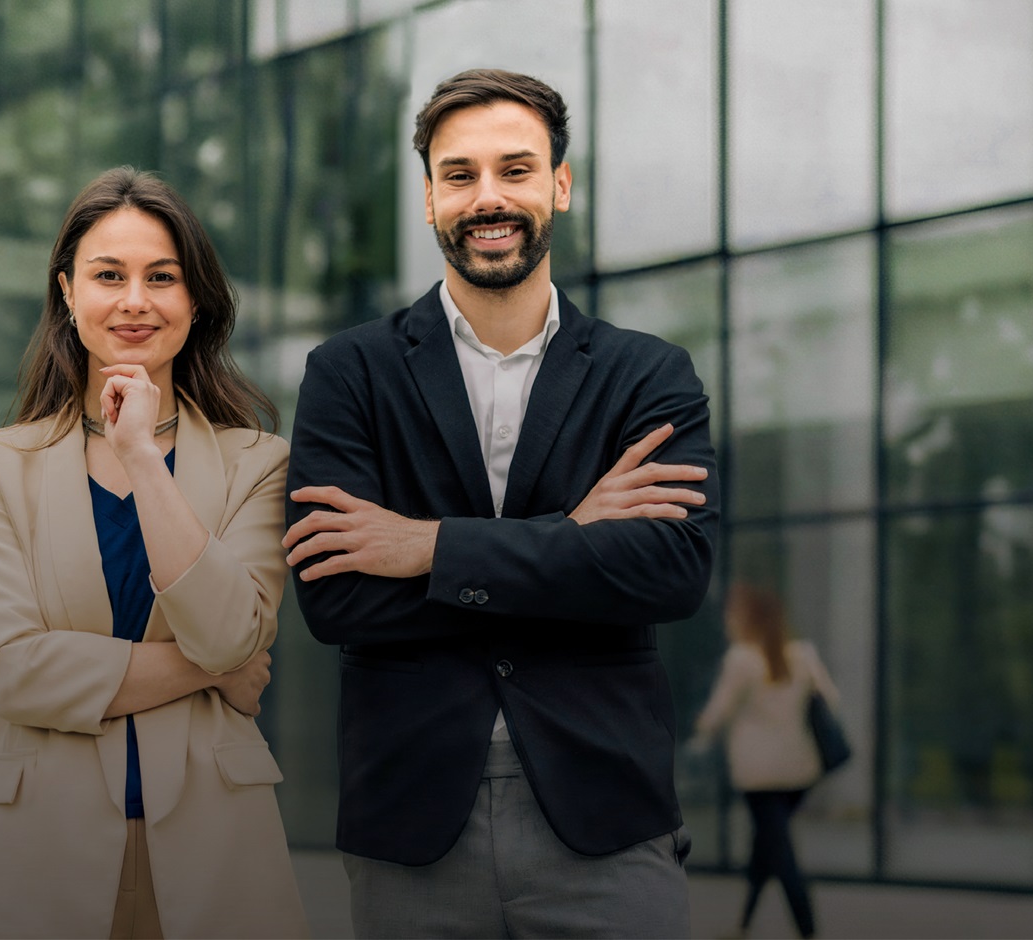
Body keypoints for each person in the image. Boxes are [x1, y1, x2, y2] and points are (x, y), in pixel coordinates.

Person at [283, 68, 720, 938]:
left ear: (560, 183)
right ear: (429, 197)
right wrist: (573, 540)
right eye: (461, 174)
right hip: (413, 818)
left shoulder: (648, 374)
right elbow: (336, 596)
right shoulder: (349, 373)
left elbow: (668, 573)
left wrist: (428, 548)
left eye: (515, 170)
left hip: (605, 812)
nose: (489, 197)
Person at [0, 166, 308, 939]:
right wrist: (215, 671)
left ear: (196, 301)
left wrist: (142, 455)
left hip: (221, 843)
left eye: (162, 277)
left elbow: (227, 630)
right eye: (108, 275)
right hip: (42, 851)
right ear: (68, 293)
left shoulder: (258, 463)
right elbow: (9, 671)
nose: (136, 300)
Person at [692, 584, 841, 940]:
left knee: (780, 853)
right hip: (799, 772)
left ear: (749, 619)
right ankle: (743, 924)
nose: (729, 619)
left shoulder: (742, 659)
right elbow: (830, 701)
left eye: (734, 613)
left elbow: (717, 714)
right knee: (767, 848)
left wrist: (699, 730)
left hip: (758, 775)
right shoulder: (802, 655)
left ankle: (808, 931)